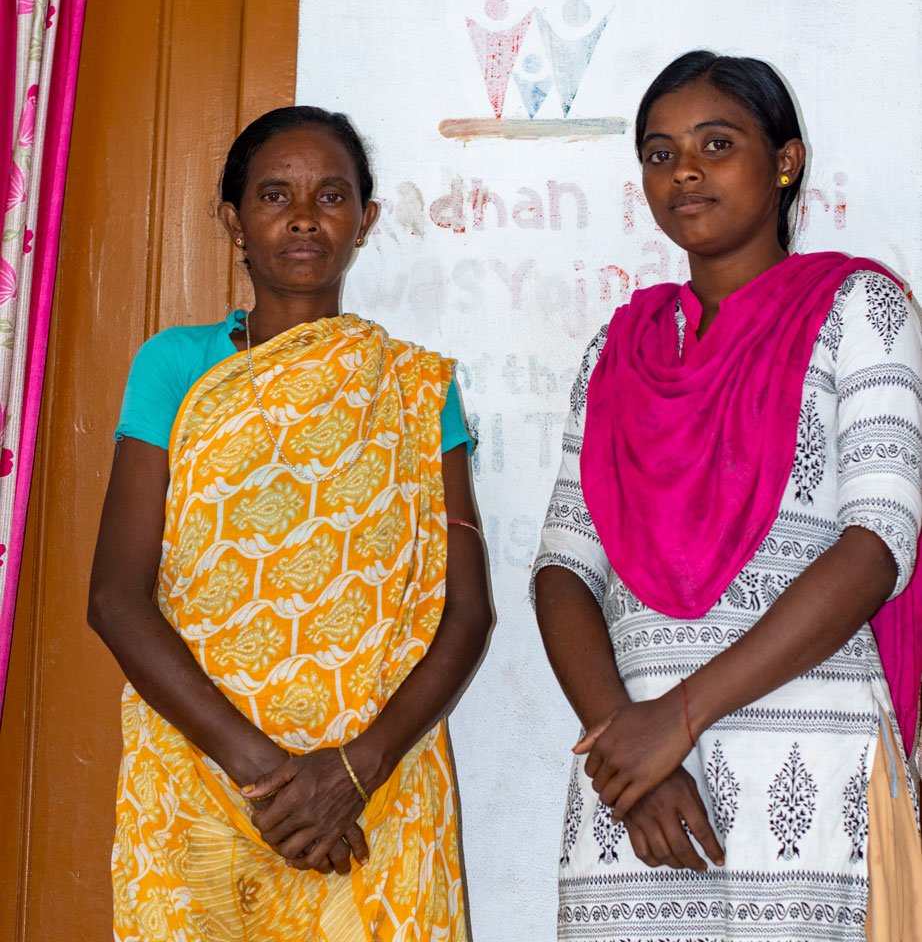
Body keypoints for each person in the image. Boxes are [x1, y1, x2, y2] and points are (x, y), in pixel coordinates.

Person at [533, 51, 922, 941]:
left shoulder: (861, 311)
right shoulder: (616, 352)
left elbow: (877, 547)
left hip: (813, 785)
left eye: (717, 143)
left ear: (786, 160)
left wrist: (680, 715)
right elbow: (562, 570)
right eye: (661, 154)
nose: (686, 172)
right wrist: (629, 744)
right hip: (634, 790)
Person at [89, 106, 493, 941]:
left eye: (331, 195)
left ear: (366, 220)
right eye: (276, 195)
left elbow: (468, 609)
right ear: (233, 218)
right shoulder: (176, 366)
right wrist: (270, 777)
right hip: (202, 777)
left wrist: (356, 770)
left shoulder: (413, 391)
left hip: (377, 790)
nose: (305, 217)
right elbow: (116, 599)